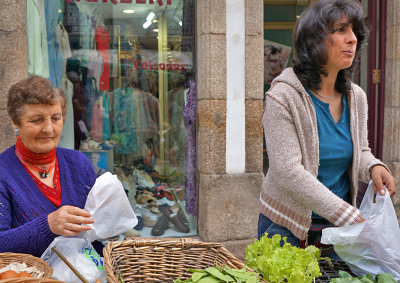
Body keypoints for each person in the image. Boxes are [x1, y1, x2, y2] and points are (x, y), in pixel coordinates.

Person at [259, 0, 397, 257]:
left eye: (354, 31)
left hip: (335, 228)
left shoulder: (356, 97)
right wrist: (350, 216)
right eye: (341, 30)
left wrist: (373, 166)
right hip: (285, 226)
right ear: (314, 40)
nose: (352, 39)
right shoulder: (283, 97)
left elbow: (361, 150)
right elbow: (288, 171)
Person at [0, 76, 102, 257]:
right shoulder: (3, 173)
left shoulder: (78, 163)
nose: (48, 128)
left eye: (56, 118)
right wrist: (48, 225)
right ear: (16, 122)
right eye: (37, 120)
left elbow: (96, 235)